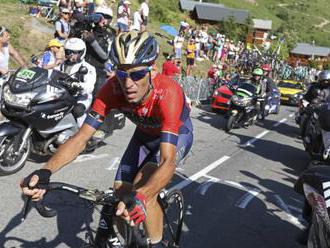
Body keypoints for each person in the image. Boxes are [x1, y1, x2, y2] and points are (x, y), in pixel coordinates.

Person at [20, 31, 193, 248]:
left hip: (176, 135)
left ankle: (156, 244)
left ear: (153, 70)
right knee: (121, 194)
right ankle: (131, 240)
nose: (128, 84)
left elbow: (168, 161)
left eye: (137, 75)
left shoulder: (168, 93)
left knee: (144, 182)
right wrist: (45, 171)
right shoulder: (111, 90)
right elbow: (81, 138)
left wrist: (141, 196)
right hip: (144, 135)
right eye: (122, 75)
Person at [59, 38, 96, 127]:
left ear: (81, 53)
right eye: (68, 52)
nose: (71, 55)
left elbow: (90, 87)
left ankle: (82, 134)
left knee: (77, 111)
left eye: (74, 52)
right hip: (64, 95)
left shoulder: (88, 67)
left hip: (81, 97)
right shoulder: (62, 64)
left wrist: (78, 85)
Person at [83, 6, 115, 95]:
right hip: (83, 67)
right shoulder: (88, 30)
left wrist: (92, 41)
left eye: (107, 17)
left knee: (96, 97)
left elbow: (105, 56)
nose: (103, 19)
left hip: (99, 71)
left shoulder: (110, 36)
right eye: (101, 16)